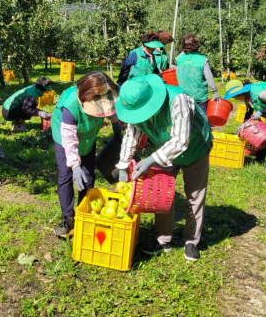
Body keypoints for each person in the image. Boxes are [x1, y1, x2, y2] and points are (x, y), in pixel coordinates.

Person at [116, 74, 213, 261]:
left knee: (195, 194)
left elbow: (180, 141)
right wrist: (123, 163)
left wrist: (150, 160)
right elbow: (131, 133)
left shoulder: (179, 100)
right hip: (164, 150)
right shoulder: (136, 108)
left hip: (195, 148)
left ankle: (191, 240)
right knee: (161, 192)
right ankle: (163, 240)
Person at [51, 71, 121, 237]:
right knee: (66, 176)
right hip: (64, 139)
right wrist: (75, 166)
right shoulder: (71, 106)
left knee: (88, 175)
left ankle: (84, 211)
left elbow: (111, 111)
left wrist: (117, 128)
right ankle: (67, 218)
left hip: (88, 137)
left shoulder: (104, 93)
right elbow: (69, 141)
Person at [176, 33, 221, 113]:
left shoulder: (179, 58)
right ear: (197, 45)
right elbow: (209, 77)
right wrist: (215, 92)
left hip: (183, 95)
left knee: (187, 121)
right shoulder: (202, 60)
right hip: (199, 97)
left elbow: (182, 54)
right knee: (201, 121)